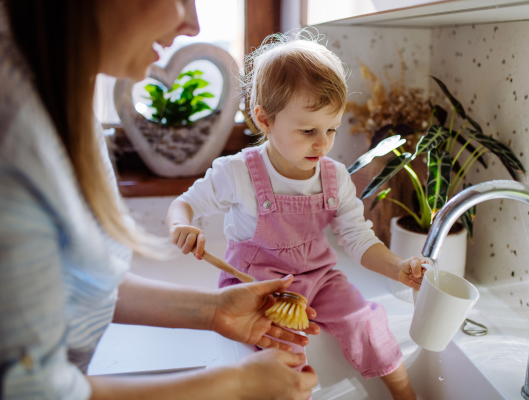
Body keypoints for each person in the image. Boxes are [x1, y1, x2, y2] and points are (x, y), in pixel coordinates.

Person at [0, 1, 319, 399]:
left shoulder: (56, 99)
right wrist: (235, 385)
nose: (192, 23)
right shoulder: (11, 122)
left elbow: (79, 283)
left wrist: (215, 311)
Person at [167, 31, 428, 400]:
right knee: (283, 352)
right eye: (308, 131)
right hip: (256, 287)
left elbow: (358, 238)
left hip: (319, 279)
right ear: (264, 119)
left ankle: (405, 393)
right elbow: (184, 203)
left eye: (331, 129)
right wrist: (182, 225)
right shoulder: (238, 172)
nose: (322, 143)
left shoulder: (334, 177)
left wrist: (398, 267)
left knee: (366, 321)